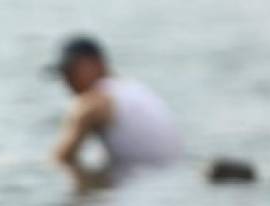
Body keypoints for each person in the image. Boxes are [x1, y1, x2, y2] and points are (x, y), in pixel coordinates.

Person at [50, 36, 182, 177]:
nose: (66, 81)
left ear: (94, 63)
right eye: (63, 74)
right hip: (172, 177)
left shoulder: (93, 103)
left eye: (70, 71)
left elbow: (59, 161)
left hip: (141, 186)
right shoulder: (134, 88)